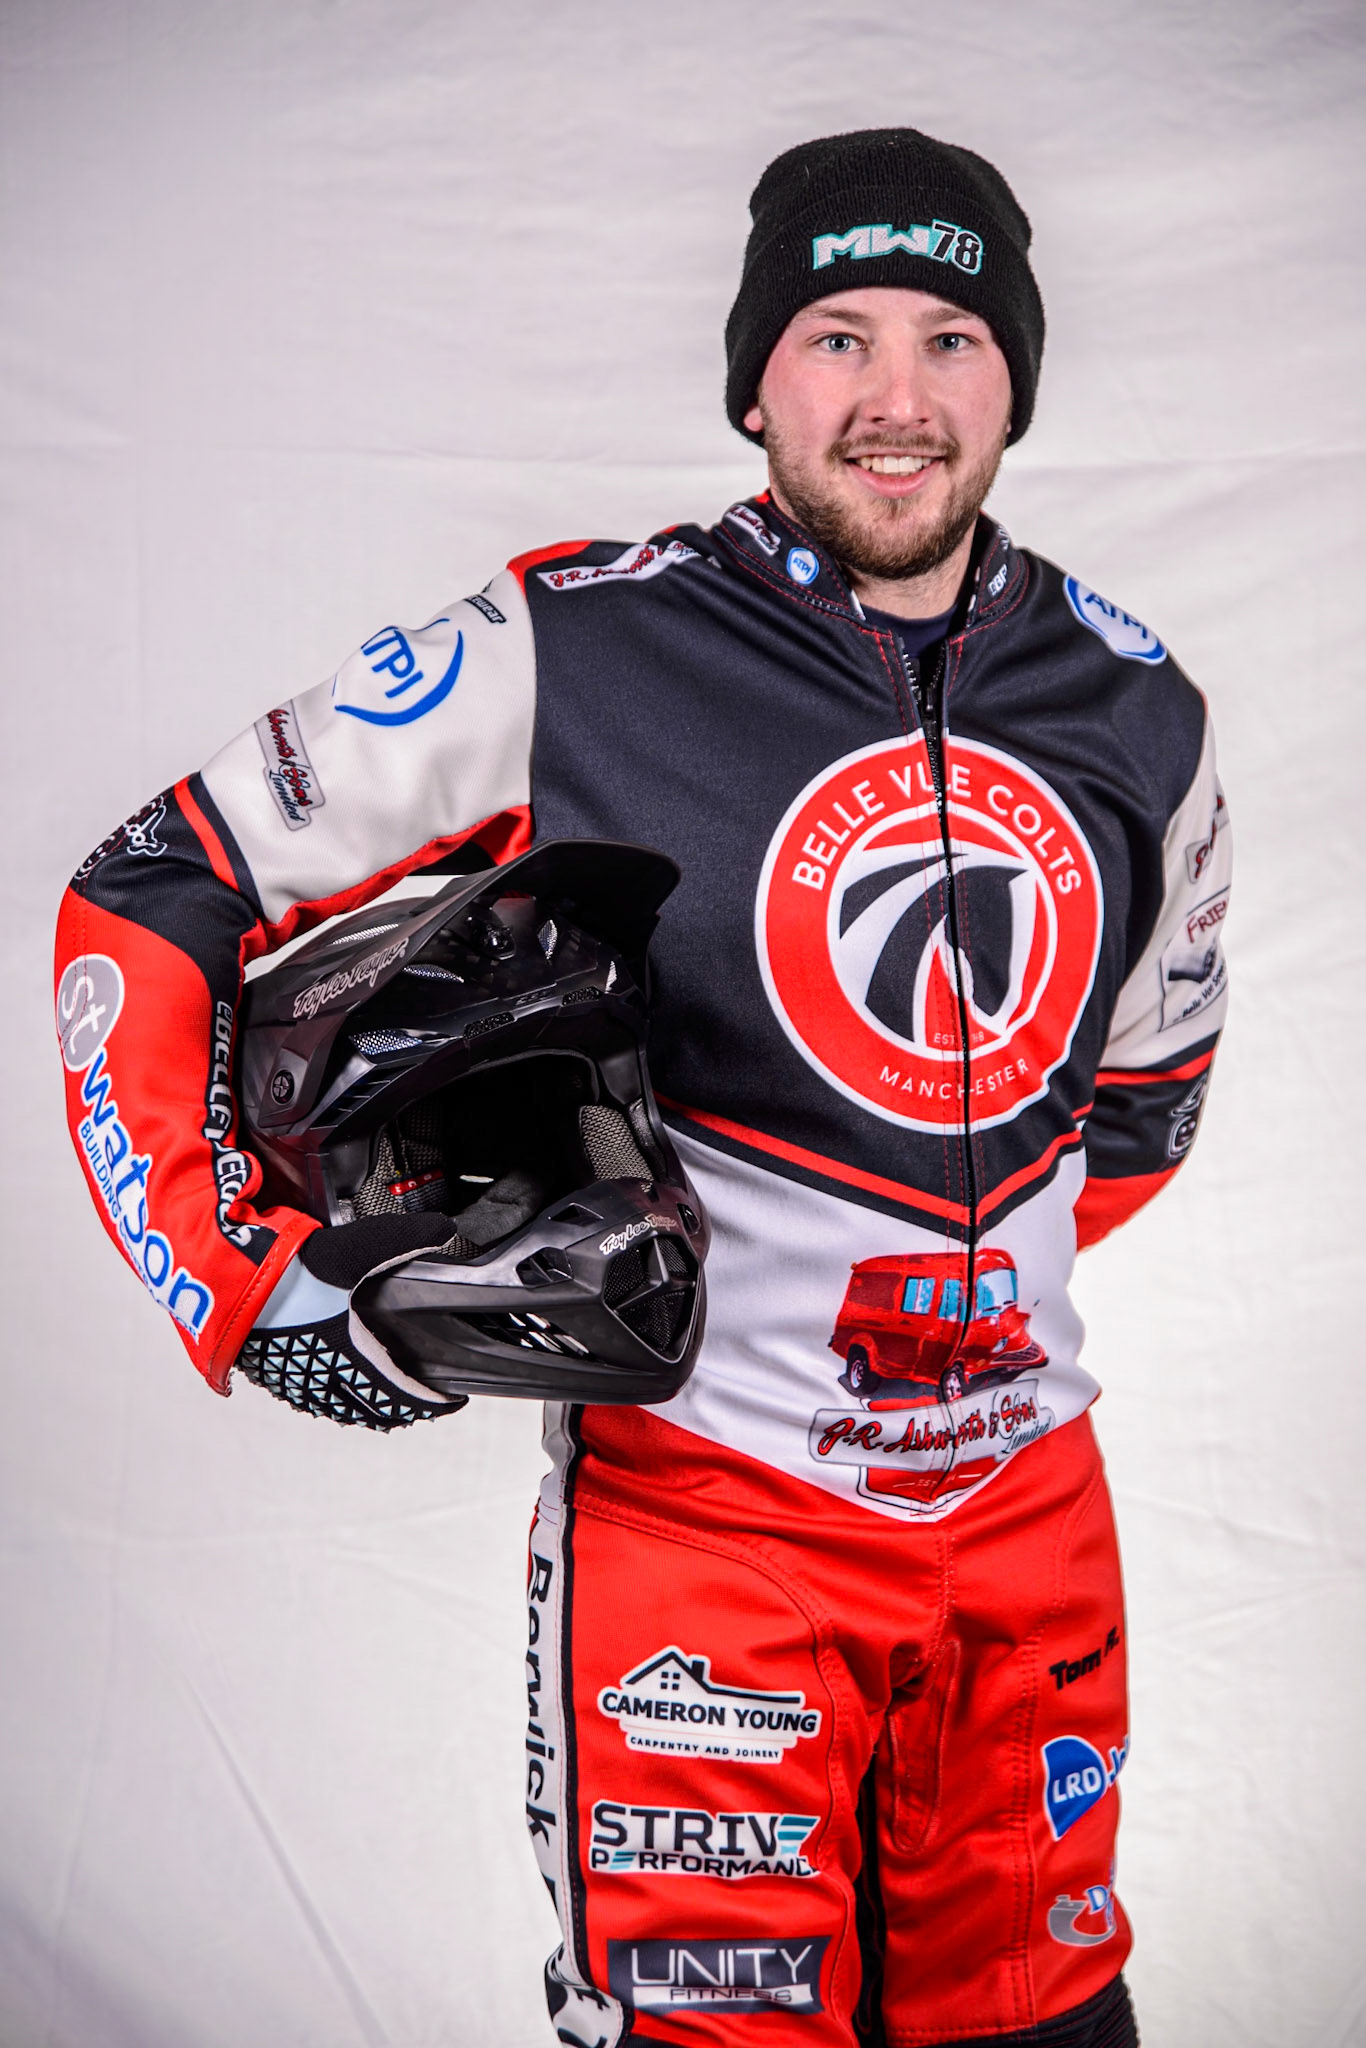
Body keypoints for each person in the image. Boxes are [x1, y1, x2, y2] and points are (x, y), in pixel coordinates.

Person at [55, 127, 1230, 2046]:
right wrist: (242, 1276)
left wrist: (930, 1327)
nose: (896, 401)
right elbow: (143, 892)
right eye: (836, 337)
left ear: (1014, 375)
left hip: (1030, 1548)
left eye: (949, 337)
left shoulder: (1139, 708)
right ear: (754, 378)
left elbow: (1141, 1107)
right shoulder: (574, 643)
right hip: (705, 1545)